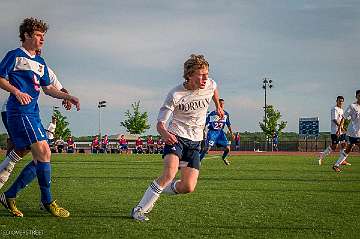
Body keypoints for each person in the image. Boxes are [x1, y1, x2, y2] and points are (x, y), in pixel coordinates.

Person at [0, 17, 80, 218]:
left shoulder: (40, 62)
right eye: (37, 35)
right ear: (26, 35)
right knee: (42, 152)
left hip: (33, 112)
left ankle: (10, 195)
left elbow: (49, 88)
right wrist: (16, 91)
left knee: (41, 157)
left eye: (43, 35)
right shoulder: (15, 56)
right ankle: (47, 201)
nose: (42, 39)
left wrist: (68, 96)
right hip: (19, 111)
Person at [131, 54, 224, 221]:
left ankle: (157, 189)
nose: (205, 78)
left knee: (188, 187)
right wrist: (166, 134)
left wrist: (218, 106)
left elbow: (214, 89)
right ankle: (139, 209)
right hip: (177, 137)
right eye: (201, 74)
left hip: (196, 141)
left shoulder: (210, 84)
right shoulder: (175, 94)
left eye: (207, 74)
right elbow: (160, 125)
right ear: (189, 75)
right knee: (170, 173)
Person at [0, 48, 71, 183]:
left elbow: (57, 86)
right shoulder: (19, 59)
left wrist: (66, 96)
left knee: (33, 152)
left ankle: (8, 185)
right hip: (15, 110)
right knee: (31, 151)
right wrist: (16, 91)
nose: (38, 51)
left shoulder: (42, 66)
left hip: (29, 112)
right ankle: (6, 180)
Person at [332, 90, 360, 172]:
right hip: (354, 133)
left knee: (348, 149)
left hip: (358, 132)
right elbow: (344, 117)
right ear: (356, 96)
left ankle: (336, 165)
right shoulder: (352, 106)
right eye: (359, 95)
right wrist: (339, 129)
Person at [200, 98, 233, 165]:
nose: (222, 105)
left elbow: (228, 124)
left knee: (228, 148)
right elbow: (205, 123)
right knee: (207, 148)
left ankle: (224, 158)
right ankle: (199, 160)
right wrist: (203, 130)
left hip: (220, 133)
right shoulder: (212, 114)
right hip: (212, 132)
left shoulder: (226, 114)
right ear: (217, 104)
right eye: (220, 104)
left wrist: (231, 133)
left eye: (223, 104)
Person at [318, 96, 350, 166]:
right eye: (339, 101)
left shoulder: (341, 110)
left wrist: (343, 127)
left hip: (341, 131)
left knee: (344, 144)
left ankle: (343, 160)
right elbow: (334, 119)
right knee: (334, 146)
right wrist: (340, 127)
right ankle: (321, 155)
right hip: (335, 131)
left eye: (342, 101)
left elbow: (342, 120)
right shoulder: (334, 109)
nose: (340, 102)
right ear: (336, 101)